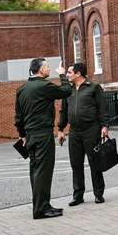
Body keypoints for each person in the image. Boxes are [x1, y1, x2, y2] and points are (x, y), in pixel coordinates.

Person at [14, 58, 72, 219]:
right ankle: (40, 209)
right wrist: (62, 75)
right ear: (40, 70)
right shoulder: (43, 85)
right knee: (43, 171)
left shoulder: (22, 88)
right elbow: (66, 91)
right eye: (47, 67)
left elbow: (18, 116)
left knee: (36, 170)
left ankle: (42, 204)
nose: (49, 69)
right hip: (42, 133)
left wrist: (22, 134)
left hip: (31, 135)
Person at [57, 62, 109, 206]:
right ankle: (78, 195)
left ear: (78, 74)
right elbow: (63, 111)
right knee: (76, 164)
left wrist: (105, 125)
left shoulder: (93, 87)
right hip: (74, 131)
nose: (67, 75)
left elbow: (102, 107)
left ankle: (98, 194)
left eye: (69, 72)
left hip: (91, 129)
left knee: (94, 162)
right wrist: (61, 129)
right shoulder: (69, 90)